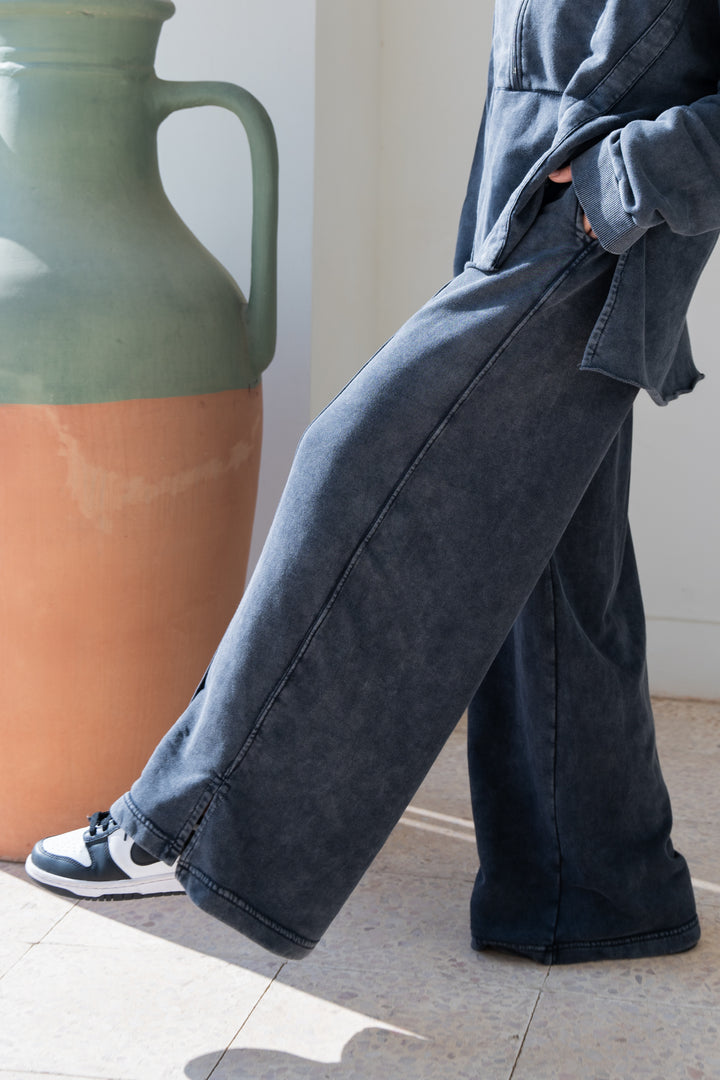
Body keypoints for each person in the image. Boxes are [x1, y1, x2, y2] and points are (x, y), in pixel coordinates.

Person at [24, 0, 720, 964]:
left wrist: (630, 176)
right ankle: (598, 885)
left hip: (603, 191)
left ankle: (187, 819)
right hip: (530, 166)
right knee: (552, 549)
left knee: (354, 466)